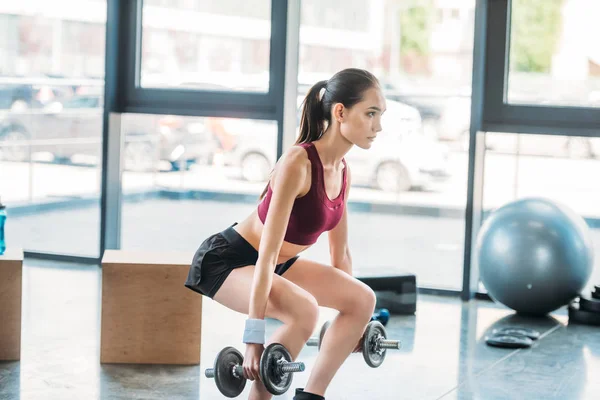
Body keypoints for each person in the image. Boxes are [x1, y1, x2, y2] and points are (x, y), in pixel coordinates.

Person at [185, 68, 386, 400]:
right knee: (305, 311)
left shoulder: (342, 170)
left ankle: (311, 396)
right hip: (227, 260)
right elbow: (265, 255)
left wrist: (353, 326)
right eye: (370, 113)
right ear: (340, 112)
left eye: (380, 115)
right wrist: (253, 340)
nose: (378, 126)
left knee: (363, 298)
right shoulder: (299, 163)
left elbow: (341, 257)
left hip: (278, 264)